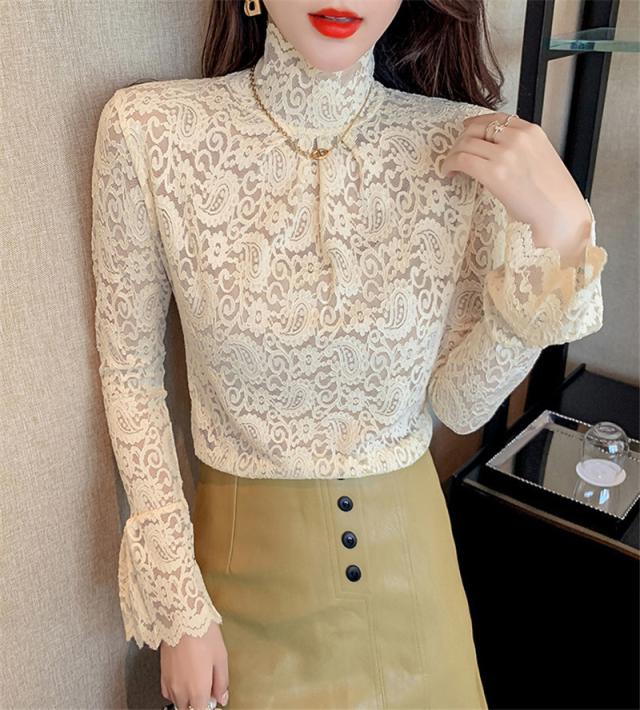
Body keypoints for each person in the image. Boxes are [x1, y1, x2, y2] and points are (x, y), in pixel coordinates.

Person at [90, 1, 608, 708]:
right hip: (237, 595)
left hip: (415, 593)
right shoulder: (149, 132)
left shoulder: (465, 144)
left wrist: (563, 239)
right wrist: (180, 610)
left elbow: (460, 404)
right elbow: (129, 376)